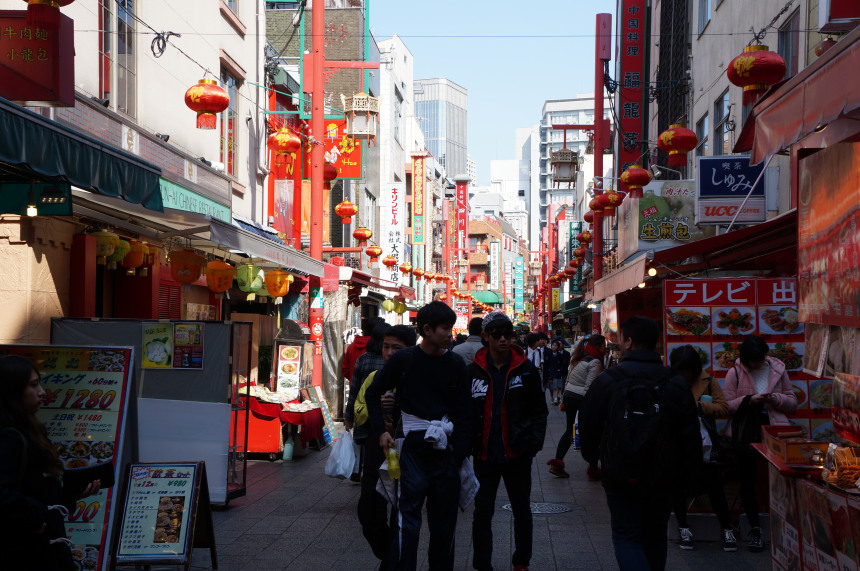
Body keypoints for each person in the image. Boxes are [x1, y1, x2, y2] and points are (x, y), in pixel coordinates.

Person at [579, 316, 701, 571]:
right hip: (663, 473)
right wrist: (691, 478)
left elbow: (588, 422)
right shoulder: (675, 383)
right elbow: (690, 434)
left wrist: (594, 458)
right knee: (655, 535)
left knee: (626, 536)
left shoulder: (608, 380)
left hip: (619, 471)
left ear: (628, 342)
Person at [365, 301, 472, 571]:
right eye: (445, 329)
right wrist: (381, 432)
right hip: (411, 448)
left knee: (444, 525)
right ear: (427, 329)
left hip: (446, 451)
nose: (451, 334)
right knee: (407, 521)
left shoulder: (457, 363)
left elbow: (464, 412)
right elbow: (372, 392)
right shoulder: (404, 359)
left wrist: (459, 455)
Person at [0, 355, 101, 571]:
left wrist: (71, 494)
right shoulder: (9, 436)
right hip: (24, 551)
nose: (42, 392)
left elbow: (37, 490)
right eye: (34, 385)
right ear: (11, 390)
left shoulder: (31, 429)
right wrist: (34, 520)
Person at [466, 311, 548, 571]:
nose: (503, 339)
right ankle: (482, 563)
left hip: (517, 453)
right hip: (484, 454)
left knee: (522, 509)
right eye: (497, 335)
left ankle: (522, 561)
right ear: (486, 337)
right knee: (482, 512)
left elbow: (539, 409)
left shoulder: (525, 370)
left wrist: (533, 443)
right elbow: (464, 411)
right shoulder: (473, 371)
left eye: (508, 334)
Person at [723, 335, 797, 552]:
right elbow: (727, 406)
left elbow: (792, 402)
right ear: (745, 360)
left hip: (775, 431)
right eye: (754, 361)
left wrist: (776, 399)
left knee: (781, 481)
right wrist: (749, 399)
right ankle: (755, 528)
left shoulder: (777, 369)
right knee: (748, 481)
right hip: (747, 431)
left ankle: (786, 529)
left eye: (761, 359)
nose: (758, 364)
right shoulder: (734, 372)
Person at [353, 325, 418, 567]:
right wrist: (377, 411)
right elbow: (359, 414)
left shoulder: (417, 379)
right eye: (386, 347)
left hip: (407, 452)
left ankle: (392, 562)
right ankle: (389, 556)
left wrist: (398, 403)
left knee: (399, 514)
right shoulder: (374, 379)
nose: (389, 353)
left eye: (396, 348)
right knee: (368, 512)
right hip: (378, 451)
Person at [668, 345, 736, 552]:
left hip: (705, 445)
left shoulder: (708, 381)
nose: (684, 374)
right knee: (677, 487)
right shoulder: (668, 382)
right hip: (678, 443)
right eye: (680, 369)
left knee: (715, 487)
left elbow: (724, 407)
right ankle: (683, 528)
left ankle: (727, 528)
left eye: (687, 369)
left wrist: (700, 407)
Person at [547, 334, 606, 479]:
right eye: (604, 345)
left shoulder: (579, 356)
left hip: (570, 397)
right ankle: (593, 468)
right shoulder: (595, 362)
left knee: (569, 430)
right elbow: (589, 388)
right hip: (581, 399)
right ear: (598, 346)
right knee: (590, 434)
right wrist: (590, 407)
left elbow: (568, 378)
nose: (606, 348)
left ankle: (557, 463)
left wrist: (563, 400)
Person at [344, 321, 391, 482]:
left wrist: (349, 416)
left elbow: (354, 390)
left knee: (367, 448)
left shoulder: (363, 358)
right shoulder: (394, 361)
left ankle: (360, 472)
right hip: (388, 416)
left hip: (364, 412)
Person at [342, 317, 384, 396]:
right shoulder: (380, 348)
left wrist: (354, 379)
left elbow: (345, 370)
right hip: (376, 394)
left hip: (355, 391)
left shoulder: (352, 346)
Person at [547, 339, 570, 406]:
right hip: (550, 372)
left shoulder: (560, 355)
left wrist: (560, 369)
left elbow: (563, 363)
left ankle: (556, 399)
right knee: (551, 386)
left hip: (557, 372)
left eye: (555, 345)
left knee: (556, 386)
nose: (554, 347)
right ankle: (552, 397)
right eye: (553, 345)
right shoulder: (548, 353)